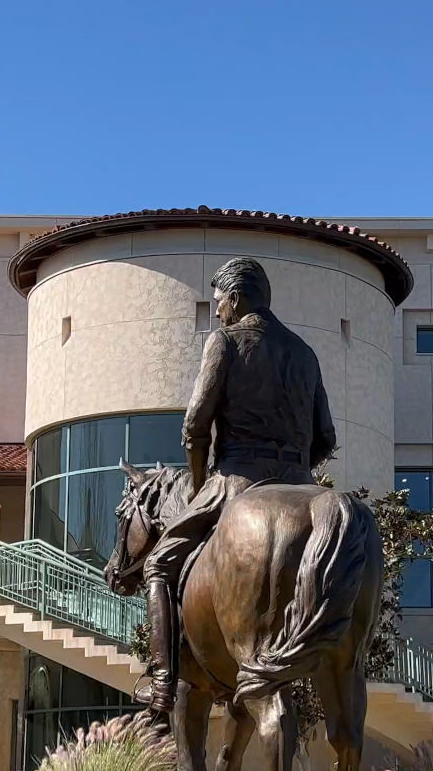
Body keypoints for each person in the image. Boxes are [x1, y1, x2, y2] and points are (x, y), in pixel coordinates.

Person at [140, 256, 336, 708]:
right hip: (301, 483)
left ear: (236, 297)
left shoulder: (225, 341)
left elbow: (194, 426)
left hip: (236, 479)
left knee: (158, 565)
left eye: (219, 303)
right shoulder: (305, 353)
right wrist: (296, 473)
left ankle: (164, 679)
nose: (217, 312)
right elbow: (326, 437)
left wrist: (196, 485)